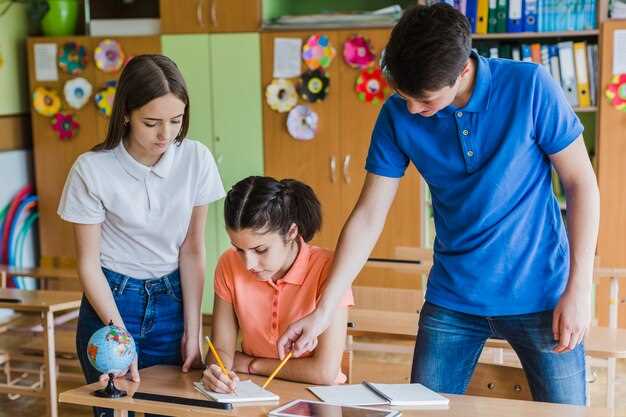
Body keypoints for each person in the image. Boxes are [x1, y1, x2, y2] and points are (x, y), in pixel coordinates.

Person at [277, 4, 600, 405]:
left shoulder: (530, 86)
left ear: (463, 70)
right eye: (404, 96)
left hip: (543, 295)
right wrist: (323, 309)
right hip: (453, 298)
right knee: (418, 411)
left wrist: (580, 289)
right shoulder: (398, 114)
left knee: (567, 414)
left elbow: (580, 183)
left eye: (425, 99)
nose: (413, 109)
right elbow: (369, 214)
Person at [58, 55, 225, 416]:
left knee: (173, 409)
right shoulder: (92, 170)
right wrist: (119, 339)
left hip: (173, 301)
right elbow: (88, 264)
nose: (166, 134)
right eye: (151, 123)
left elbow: (193, 250)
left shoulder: (196, 158)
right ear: (126, 114)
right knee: (116, 411)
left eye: (176, 121)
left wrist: (193, 330)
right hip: (112, 303)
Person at [201, 176, 353, 393]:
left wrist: (252, 364)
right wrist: (218, 372)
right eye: (239, 249)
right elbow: (222, 350)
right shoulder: (229, 264)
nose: (249, 263)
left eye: (260, 250)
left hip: (314, 396)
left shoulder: (330, 269)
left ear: (291, 232)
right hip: (249, 392)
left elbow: (324, 372)